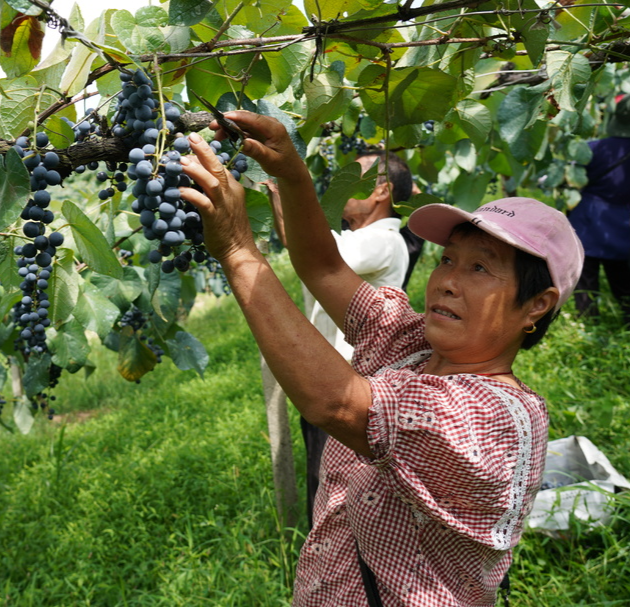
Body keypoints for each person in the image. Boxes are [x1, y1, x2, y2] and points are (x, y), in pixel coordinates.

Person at [178, 111, 583, 606]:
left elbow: (337, 405)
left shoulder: (495, 421)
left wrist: (239, 251)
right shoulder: (410, 345)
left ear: (537, 305)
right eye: (448, 260)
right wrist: (292, 171)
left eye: (480, 268)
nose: (448, 280)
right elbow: (324, 266)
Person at [268, 151, 412, 528]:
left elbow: (318, 254)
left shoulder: (383, 241)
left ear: (382, 191)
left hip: (351, 384)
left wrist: (287, 187)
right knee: (322, 472)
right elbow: (304, 246)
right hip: (330, 377)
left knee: (335, 482)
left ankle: (335, 556)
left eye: (352, 180)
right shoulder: (359, 238)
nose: (339, 188)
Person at [568, 95, 630, 325]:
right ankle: (627, 322)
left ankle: (587, 324)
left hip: (589, 223)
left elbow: (571, 180)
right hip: (624, 225)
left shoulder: (593, 149)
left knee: (585, 279)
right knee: (623, 278)